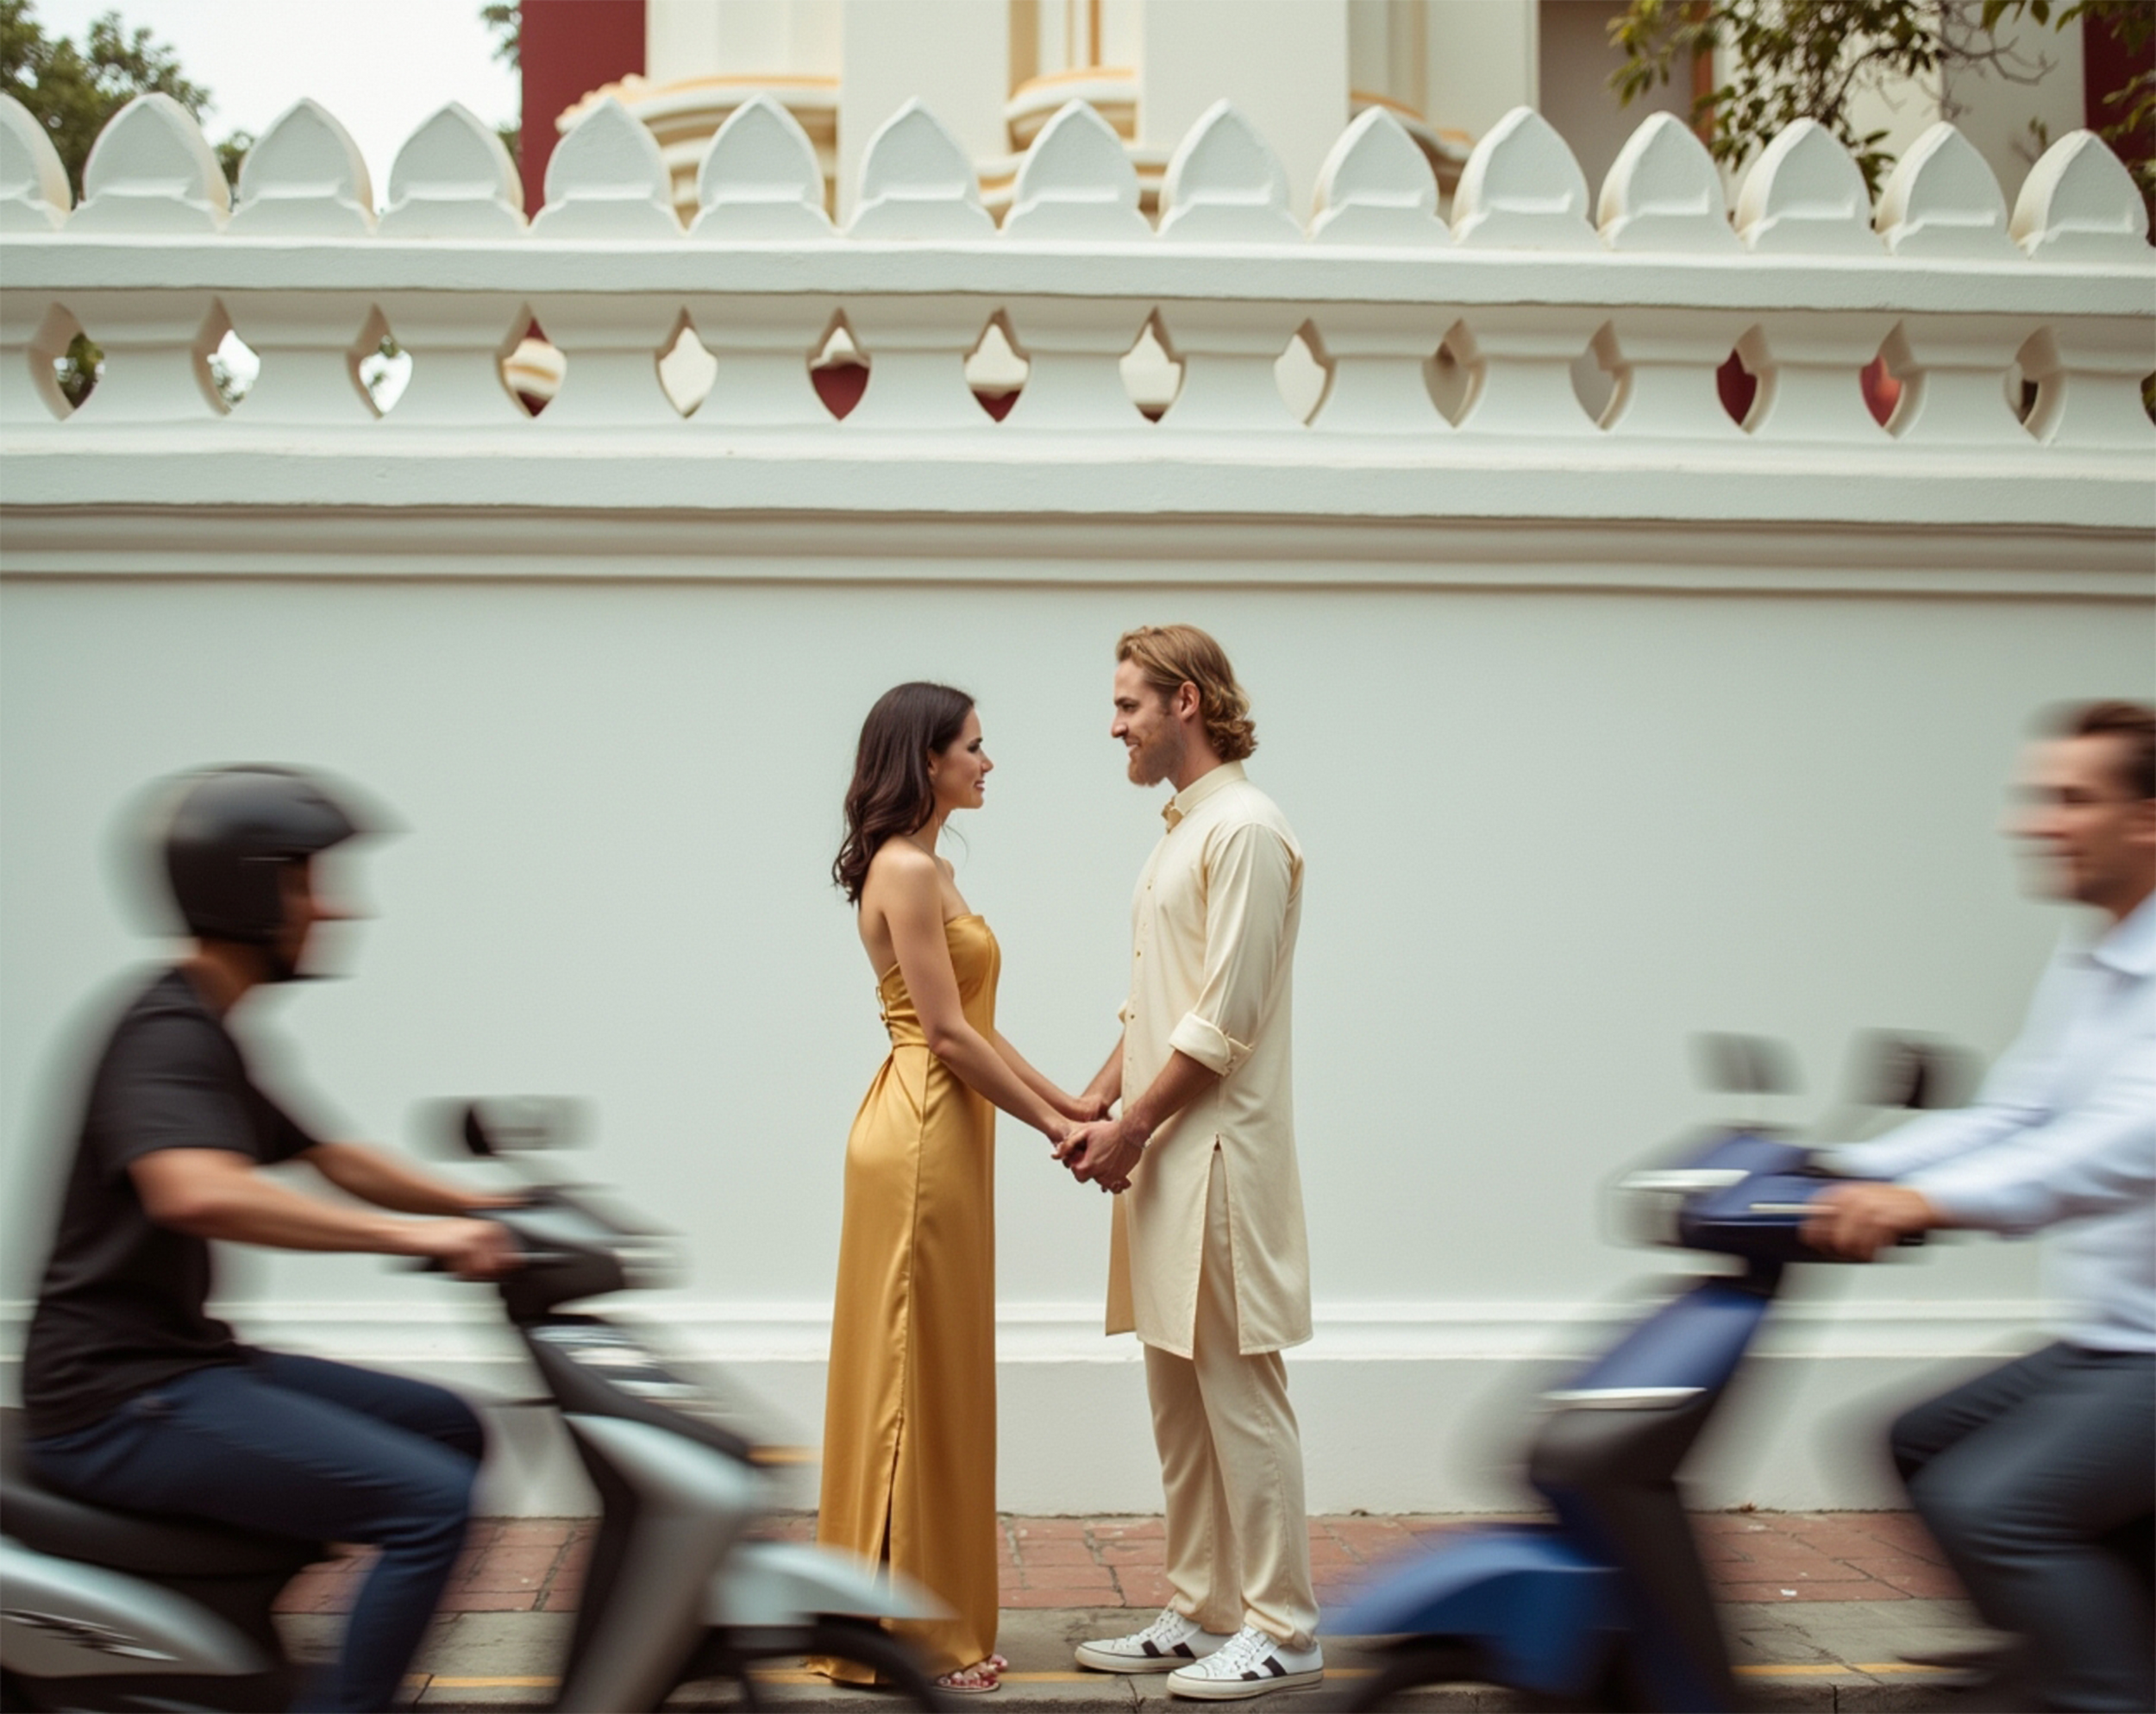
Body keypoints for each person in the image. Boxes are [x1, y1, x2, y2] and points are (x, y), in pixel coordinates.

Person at [21, 765, 524, 1714]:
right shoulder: (165, 1033)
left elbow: (335, 1156)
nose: (334, 911)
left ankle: (255, 1631)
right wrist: (418, 1234)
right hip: (117, 1395)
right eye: (307, 882)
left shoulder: (205, 1025)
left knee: (452, 1425)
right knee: (429, 1502)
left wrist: (496, 1205)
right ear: (245, 888)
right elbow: (194, 1191)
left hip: (177, 1363)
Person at [1806, 700, 2155, 1714]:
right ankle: (2062, 1650)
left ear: (2145, 818)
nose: (2033, 821)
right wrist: (1828, 1169)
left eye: (2068, 799)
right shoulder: (2096, 953)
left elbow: (2120, 1145)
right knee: (1920, 1440)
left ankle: (2101, 1690)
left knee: (1995, 1506)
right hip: (2112, 1339)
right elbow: (2016, 1112)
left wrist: (1924, 1201)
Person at [814, 682, 1099, 1697]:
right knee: (910, 1374)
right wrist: (1060, 1126)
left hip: (943, 1121)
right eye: (974, 747)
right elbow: (943, 1037)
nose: (988, 763)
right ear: (925, 758)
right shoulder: (903, 866)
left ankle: (902, 1619)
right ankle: (909, 1638)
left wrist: (1071, 1103)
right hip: (923, 1129)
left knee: (928, 1368)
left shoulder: (928, 866)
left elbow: (972, 1021)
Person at [1058, 625, 1322, 1701]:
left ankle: (1284, 1626)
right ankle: (1205, 1605)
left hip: (1213, 1155)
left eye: (1127, 704)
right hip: (1168, 1153)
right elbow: (1157, 999)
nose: (1112, 724)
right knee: (1178, 1395)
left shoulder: (1248, 830)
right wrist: (1092, 1099)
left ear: (1187, 704)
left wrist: (1130, 1126)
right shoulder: (1184, 830)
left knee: (1239, 1393)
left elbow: (1225, 1019)